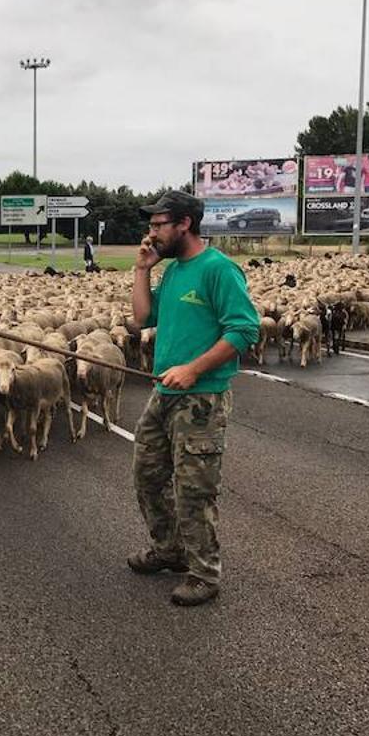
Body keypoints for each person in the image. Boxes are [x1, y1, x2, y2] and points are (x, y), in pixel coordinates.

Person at [129, 190, 259, 607]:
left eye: (158, 225)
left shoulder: (218, 269)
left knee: (194, 490)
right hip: (163, 392)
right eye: (151, 226)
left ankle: (204, 572)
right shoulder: (172, 271)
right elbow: (142, 318)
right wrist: (142, 271)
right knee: (147, 476)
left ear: (184, 223)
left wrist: (193, 369)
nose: (151, 233)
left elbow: (244, 331)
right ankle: (169, 549)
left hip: (200, 398)